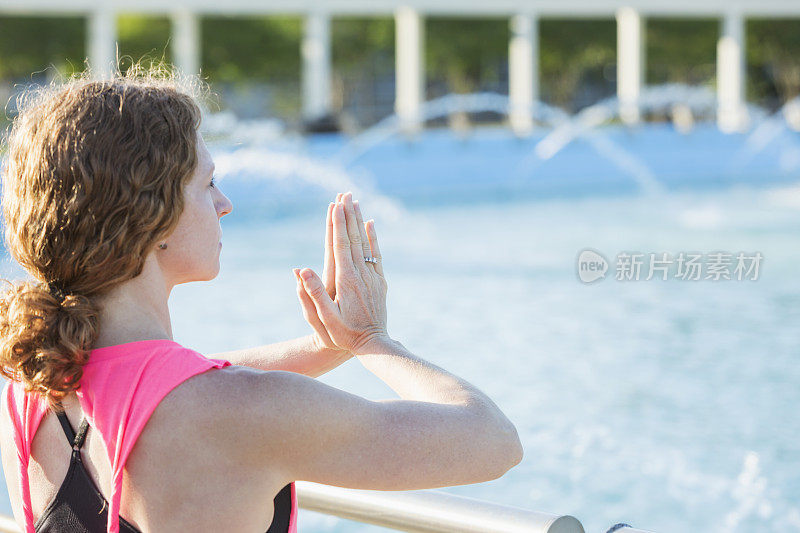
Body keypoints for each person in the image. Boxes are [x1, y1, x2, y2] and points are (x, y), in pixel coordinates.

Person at [0, 70, 523, 533]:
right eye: (207, 184)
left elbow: (165, 384)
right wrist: (372, 342)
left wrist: (327, 344)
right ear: (152, 217)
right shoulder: (243, 412)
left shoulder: (28, 386)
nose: (224, 205)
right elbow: (494, 441)